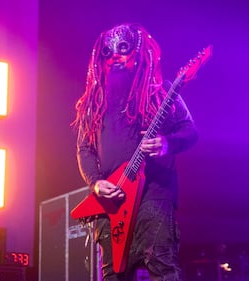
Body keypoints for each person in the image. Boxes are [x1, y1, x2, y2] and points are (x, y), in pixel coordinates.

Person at [72, 23, 198, 281]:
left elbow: (190, 131)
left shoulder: (160, 92)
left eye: (123, 48)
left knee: (162, 268)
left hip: (153, 195)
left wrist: (167, 144)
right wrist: (96, 184)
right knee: (112, 275)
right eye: (107, 52)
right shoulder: (93, 104)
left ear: (140, 53)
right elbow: (84, 149)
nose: (115, 56)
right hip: (113, 202)